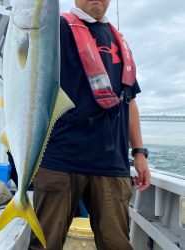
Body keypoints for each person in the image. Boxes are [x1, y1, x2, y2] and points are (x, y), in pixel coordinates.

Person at [29, 0, 151, 249]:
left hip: (111, 163)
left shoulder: (119, 40)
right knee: (44, 243)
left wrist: (139, 152)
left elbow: (129, 102)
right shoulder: (56, 29)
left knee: (116, 243)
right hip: (60, 158)